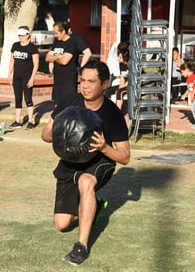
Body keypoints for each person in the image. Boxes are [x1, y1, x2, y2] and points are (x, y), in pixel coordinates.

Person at [41, 60, 131, 265]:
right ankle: (95, 205)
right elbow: (45, 134)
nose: (85, 86)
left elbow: (125, 157)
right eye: (82, 80)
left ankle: (81, 246)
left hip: (99, 161)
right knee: (61, 224)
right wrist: (58, 135)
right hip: (70, 161)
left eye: (91, 81)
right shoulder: (69, 102)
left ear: (105, 84)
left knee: (86, 182)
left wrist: (104, 147)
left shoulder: (113, 114)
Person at [8, 25, 39, 129]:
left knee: (28, 98)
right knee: (18, 98)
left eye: (22, 35)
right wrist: (9, 74)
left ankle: (30, 121)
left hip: (27, 77)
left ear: (27, 35)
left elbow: (36, 65)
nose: (20, 37)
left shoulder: (33, 48)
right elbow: (12, 61)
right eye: (19, 35)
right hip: (17, 76)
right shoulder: (15, 45)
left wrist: (32, 78)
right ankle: (17, 121)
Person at [46, 21, 79, 107]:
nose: (55, 35)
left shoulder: (72, 43)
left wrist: (54, 57)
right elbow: (47, 57)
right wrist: (59, 57)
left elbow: (64, 61)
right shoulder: (56, 41)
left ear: (63, 31)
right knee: (57, 104)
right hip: (57, 79)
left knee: (69, 104)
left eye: (56, 33)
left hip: (68, 80)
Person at [179, 62, 195, 128]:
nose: (182, 74)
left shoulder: (193, 77)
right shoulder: (188, 79)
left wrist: (193, 93)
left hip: (194, 96)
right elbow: (189, 88)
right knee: (193, 109)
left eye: (182, 72)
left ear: (186, 70)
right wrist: (184, 94)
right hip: (193, 98)